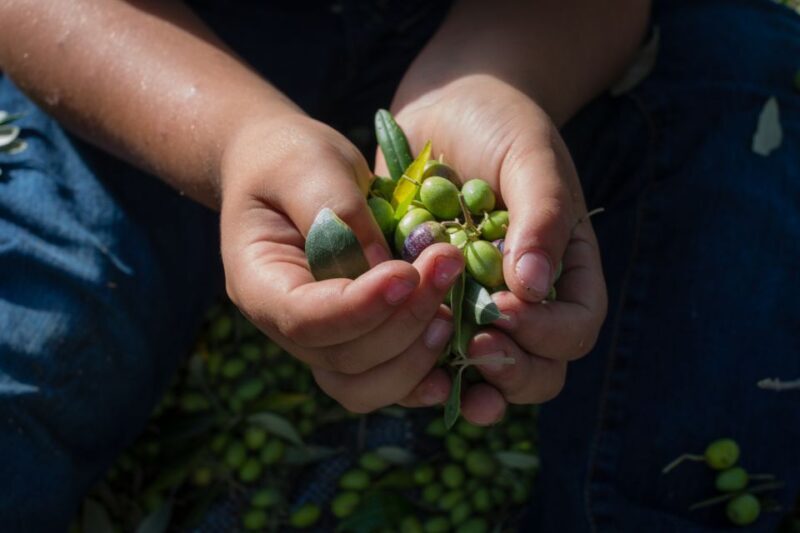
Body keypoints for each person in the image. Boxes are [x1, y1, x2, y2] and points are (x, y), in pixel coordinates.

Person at [0, 0, 797, 531]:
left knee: (731, 349)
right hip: (159, 60)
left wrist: (504, 79)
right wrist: (238, 139)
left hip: (535, 28)